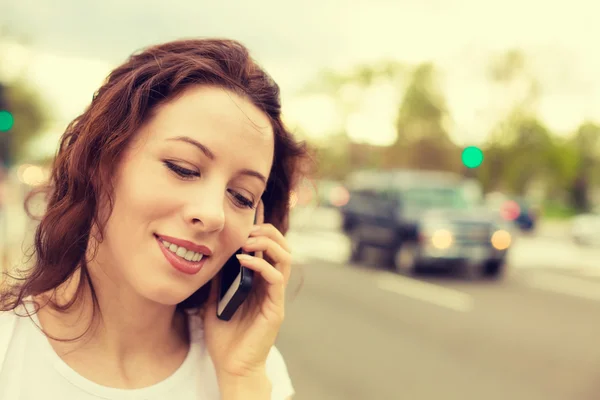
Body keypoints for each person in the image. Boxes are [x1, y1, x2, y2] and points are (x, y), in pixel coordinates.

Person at [0, 38, 309, 399]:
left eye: (241, 196)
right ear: (102, 162)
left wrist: (240, 378)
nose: (212, 215)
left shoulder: (255, 372)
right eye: (183, 169)